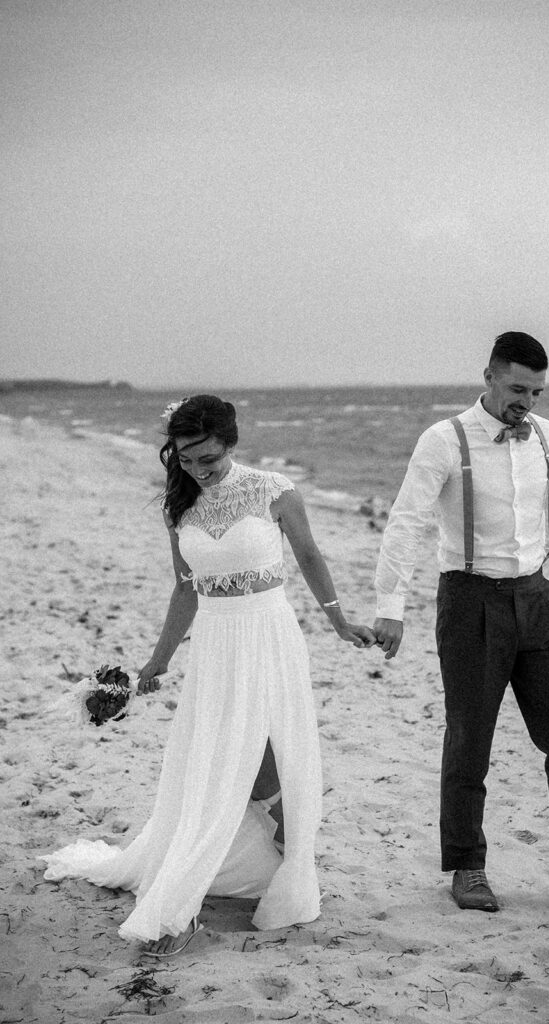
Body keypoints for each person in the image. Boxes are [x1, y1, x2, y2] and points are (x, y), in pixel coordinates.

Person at [41, 394, 375, 955]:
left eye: (208, 460)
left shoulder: (275, 491)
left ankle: (292, 856)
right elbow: (184, 587)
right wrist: (160, 659)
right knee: (223, 755)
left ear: (231, 443)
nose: (197, 471)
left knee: (272, 749)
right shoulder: (180, 507)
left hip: (269, 632)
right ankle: (237, 865)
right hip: (217, 643)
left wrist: (339, 621)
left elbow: (311, 557)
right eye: (186, 460)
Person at [373, 332, 549, 912]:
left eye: (539, 391)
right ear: (489, 376)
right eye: (519, 388)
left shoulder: (546, 435)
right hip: (470, 601)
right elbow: (406, 523)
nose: (529, 401)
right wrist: (390, 608)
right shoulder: (443, 440)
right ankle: (468, 868)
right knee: (470, 740)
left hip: (537, 599)